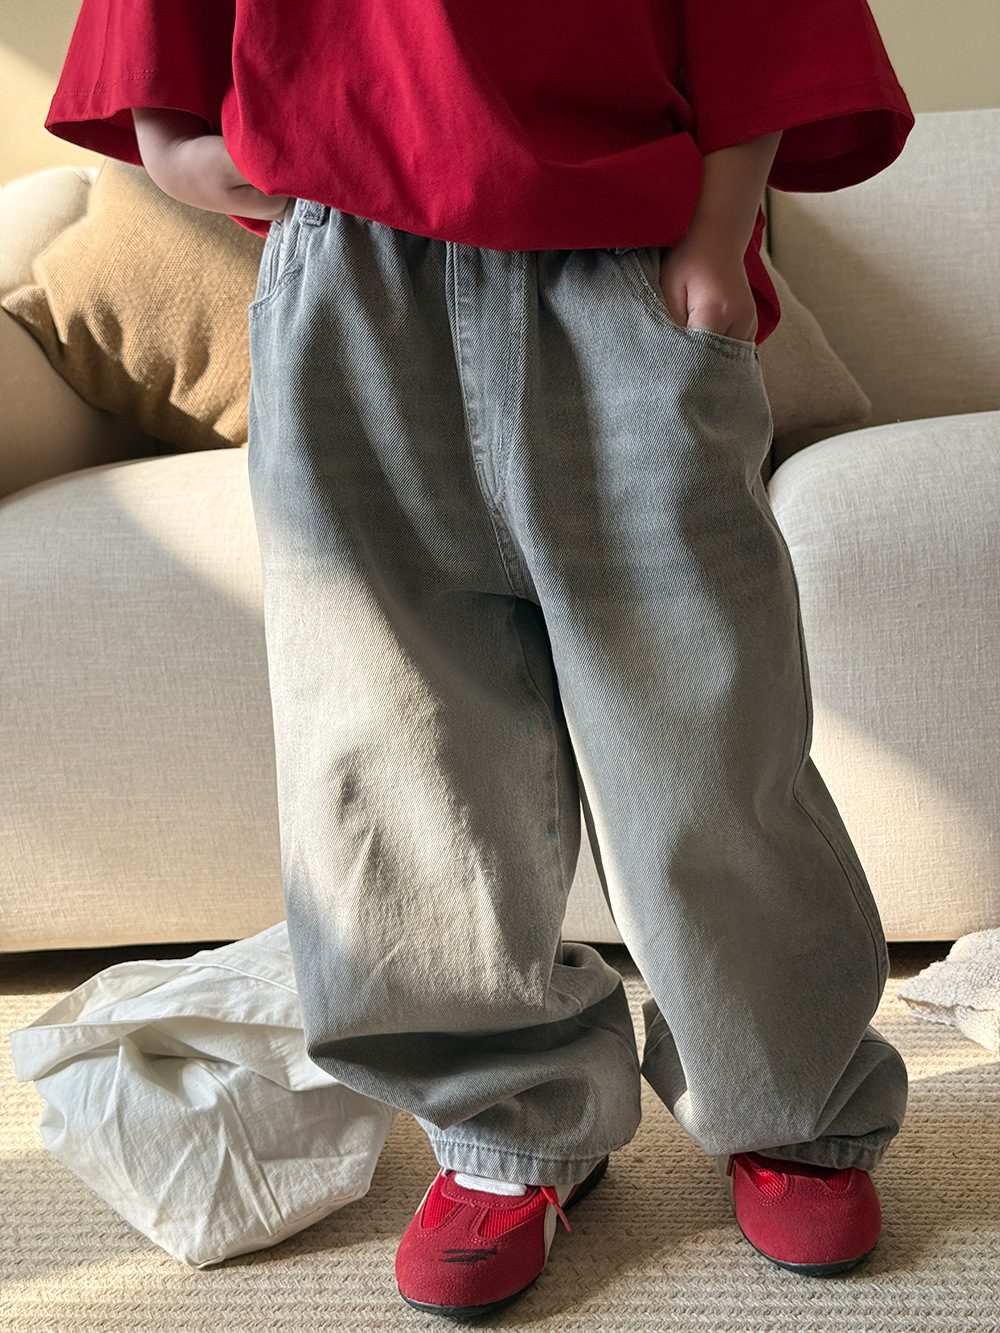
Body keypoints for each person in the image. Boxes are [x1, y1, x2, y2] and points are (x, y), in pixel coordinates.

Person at [45, 0, 914, 1317]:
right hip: (352, 275)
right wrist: (174, 143)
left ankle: (793, 1101)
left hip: (626, 264)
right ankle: (501, 1117)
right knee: (396, 729)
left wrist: (717, 235)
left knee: (702, 721)